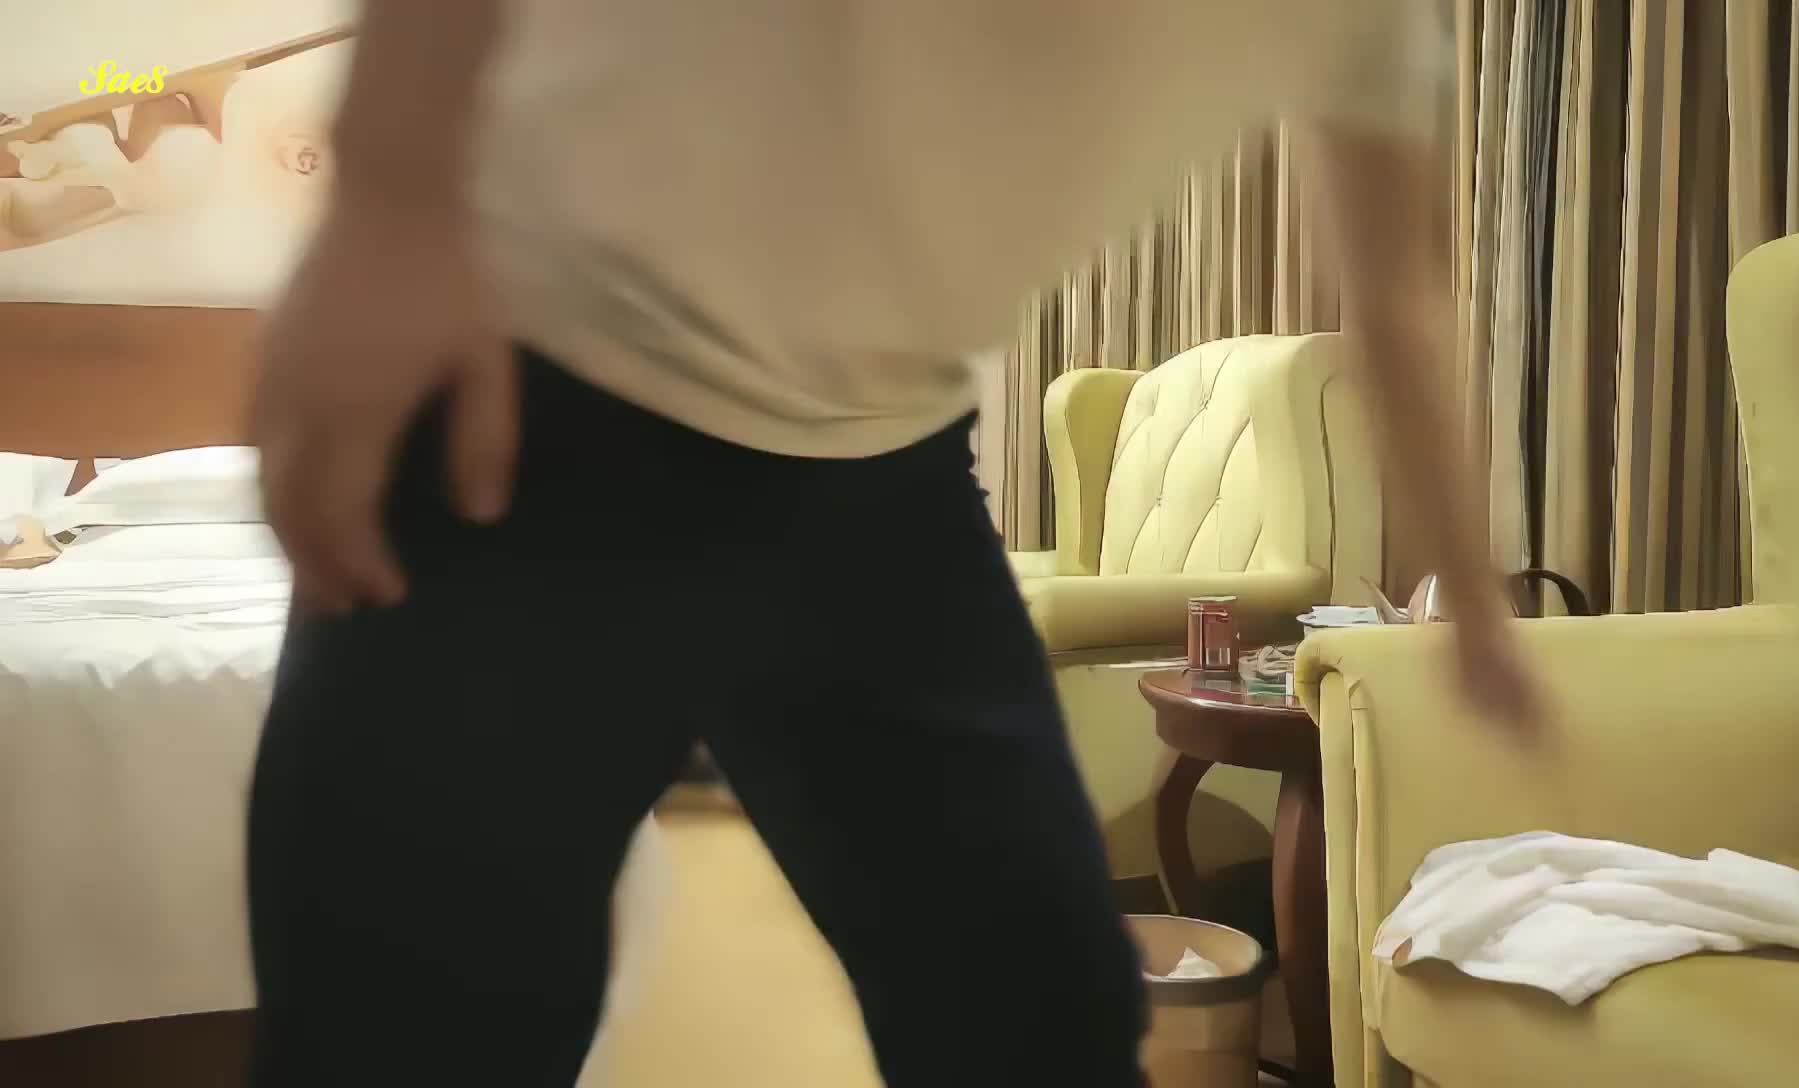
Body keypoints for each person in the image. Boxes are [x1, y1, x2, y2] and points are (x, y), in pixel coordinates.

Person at [246, 2, 1541, 1085]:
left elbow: (1402, 289)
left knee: (1047, 1024)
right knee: (410, 1040)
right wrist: (390, 200)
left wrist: (1474, 604)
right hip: (534, 414)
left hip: (882, 486)